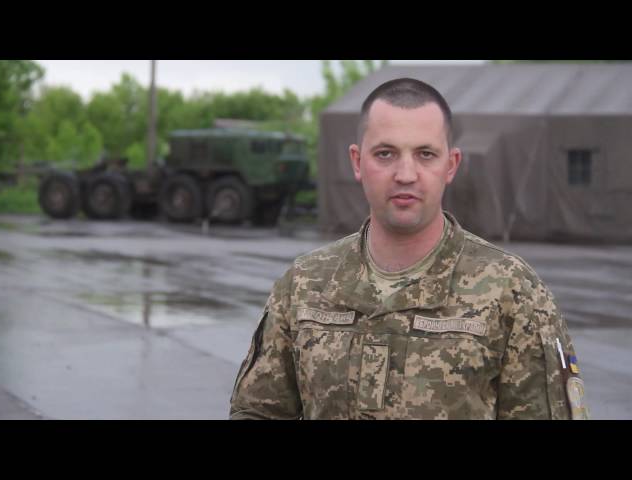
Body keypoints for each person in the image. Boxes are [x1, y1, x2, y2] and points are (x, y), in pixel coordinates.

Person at [229, 78, 588, 420]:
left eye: (425, 154)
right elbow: (257, 411)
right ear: (357, 161)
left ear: (451, 165)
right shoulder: (305, 284)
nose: (405, 174)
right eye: (385, 153)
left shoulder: (512, 291)